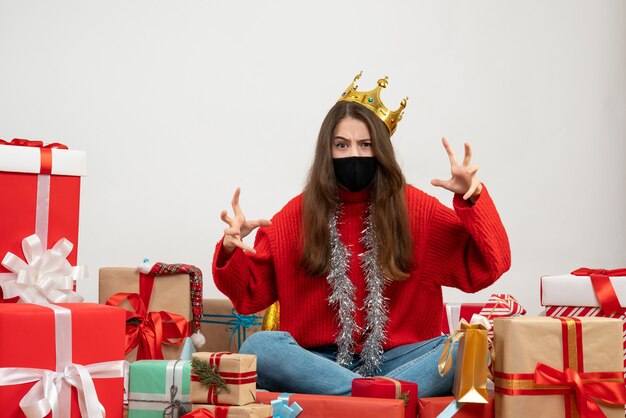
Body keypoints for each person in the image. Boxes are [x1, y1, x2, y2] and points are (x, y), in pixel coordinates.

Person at [212, 72, 511, 397]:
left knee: (466, 347)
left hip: (400, 360)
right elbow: (248, 296)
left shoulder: (417, 211)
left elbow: (489, 265)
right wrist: (231, 251)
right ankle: (377, 397)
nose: (353, 154)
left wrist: (473, 197)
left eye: (365, 144)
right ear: (327, 151)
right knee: (260, 347)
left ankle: (359, 397)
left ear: (380, 150)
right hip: (317, 362)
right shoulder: (295, 216)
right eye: (342, 145)